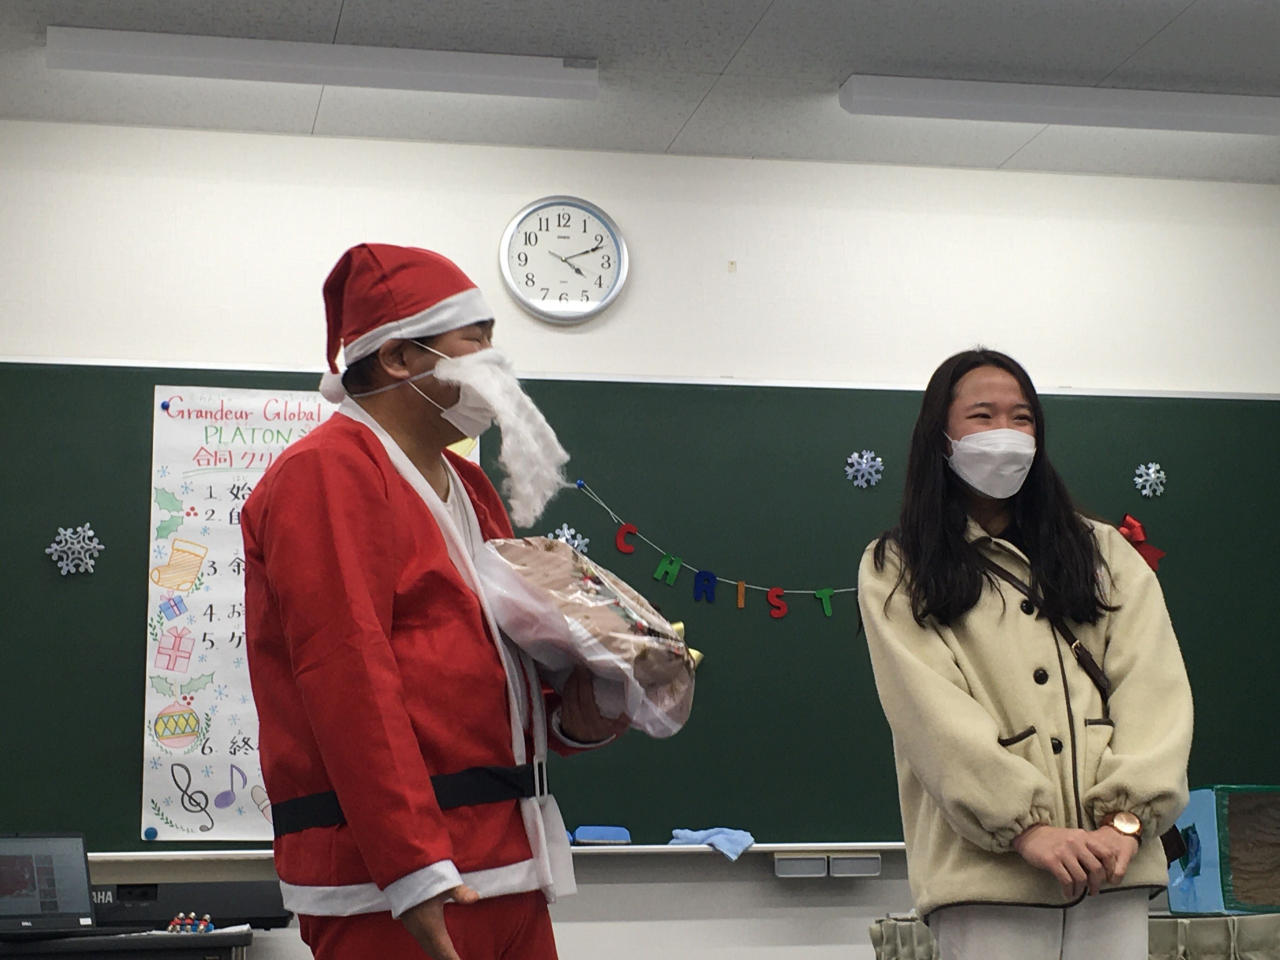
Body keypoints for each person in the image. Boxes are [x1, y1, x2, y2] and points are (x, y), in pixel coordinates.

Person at [242, 243, 628, 960]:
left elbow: (502, 664)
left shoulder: (469, 486)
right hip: (402, 883)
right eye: (475, 339)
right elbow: (346, 672)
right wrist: (411, 869)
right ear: (398, 358)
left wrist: (583, 708)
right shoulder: (326, 473)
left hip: (508, 859)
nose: (495, 360)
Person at [858, 348, 1193, 960]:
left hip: (1114, 867)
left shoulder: (1103, 552)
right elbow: (931, 715)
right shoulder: (899, 566)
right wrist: (1025, 827)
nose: (1006, 433)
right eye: (982, 416)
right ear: (940, 436)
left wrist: (1127, 820)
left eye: (1022, 418)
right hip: (987, 881)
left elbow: (1154, 683)